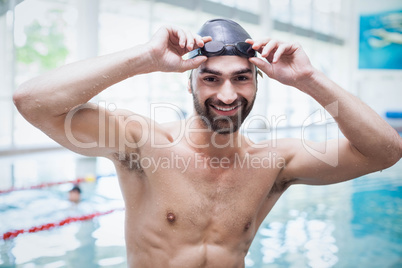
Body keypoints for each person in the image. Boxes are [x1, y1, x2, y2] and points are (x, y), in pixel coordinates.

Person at [13, 18, 401, 267]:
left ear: (258, 82)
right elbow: (32, 102)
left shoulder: (275, 162)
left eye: (242, 78)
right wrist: (145, 57)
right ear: (189, 82)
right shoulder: (142, 144)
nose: (228, 95)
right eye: (211, 78)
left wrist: (309, 78)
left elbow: (386, 151)